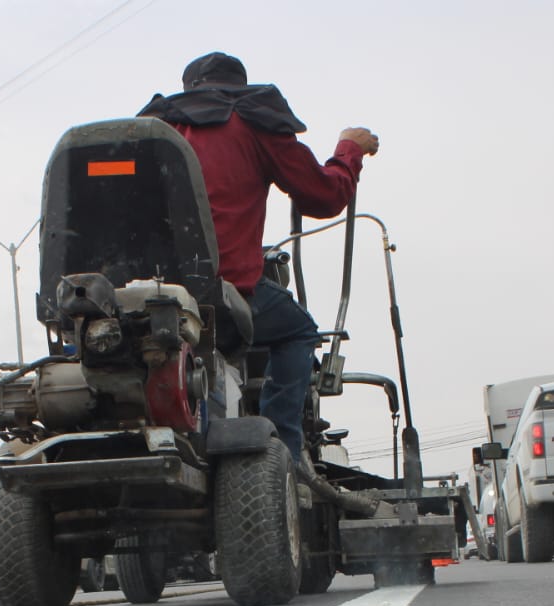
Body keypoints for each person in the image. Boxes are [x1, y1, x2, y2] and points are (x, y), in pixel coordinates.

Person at [139, 52, 378, 464]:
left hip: (137, 296)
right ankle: (281, 455)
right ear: (239, 88)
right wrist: (349, 151)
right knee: (298, 331)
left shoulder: (153, 131)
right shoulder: (252, 121)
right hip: (219, 292)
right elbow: (323, 195)